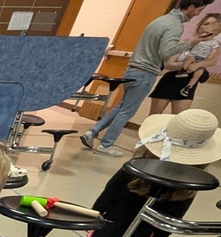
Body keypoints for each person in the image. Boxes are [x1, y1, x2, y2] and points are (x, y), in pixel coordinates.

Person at [44, 109, 221, 237]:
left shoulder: (134, 167)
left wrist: (94, 214)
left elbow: (108, 193)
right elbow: (176, 213)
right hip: (139, 230)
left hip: (107, 221)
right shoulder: (187, 185)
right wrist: (162, 236)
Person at [81, 0, 215, 157]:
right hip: (144, 73)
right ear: (191, 7)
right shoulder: (174, 25)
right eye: (200, 10)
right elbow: (166, 53)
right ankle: (106, 144)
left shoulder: (160, 20)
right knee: (127, 112)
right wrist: (189, 43)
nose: (199, 14)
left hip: (132, 70)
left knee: (121, 107)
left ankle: (92, 132)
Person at [149, 13, 221, 114]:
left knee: (178, 120)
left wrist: (197, 65)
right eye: (206, 23)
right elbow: (169, 63)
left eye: (213, 25)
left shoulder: (214, 45)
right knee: (154, 116)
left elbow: (212, 61)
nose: (208, 28)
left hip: (187, 85)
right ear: (200, 25)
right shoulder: (187, 42)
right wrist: (183, 65)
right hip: (170, 80)